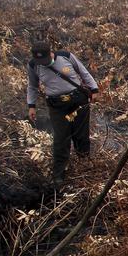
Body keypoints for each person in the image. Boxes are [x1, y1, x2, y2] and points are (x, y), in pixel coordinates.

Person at [26, 41, 98, 186]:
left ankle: (84, 164)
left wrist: (94, 89)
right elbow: (32, 86)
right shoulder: (34, 65)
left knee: (81, 134)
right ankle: (59, 173)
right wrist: (31, 106)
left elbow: (83, 72)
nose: (43, 63)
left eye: (45, 60)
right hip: (57, 105)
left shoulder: (65, 56)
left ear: (50, 53)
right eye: (40, 61)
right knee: (61, 138)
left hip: (78, 100)